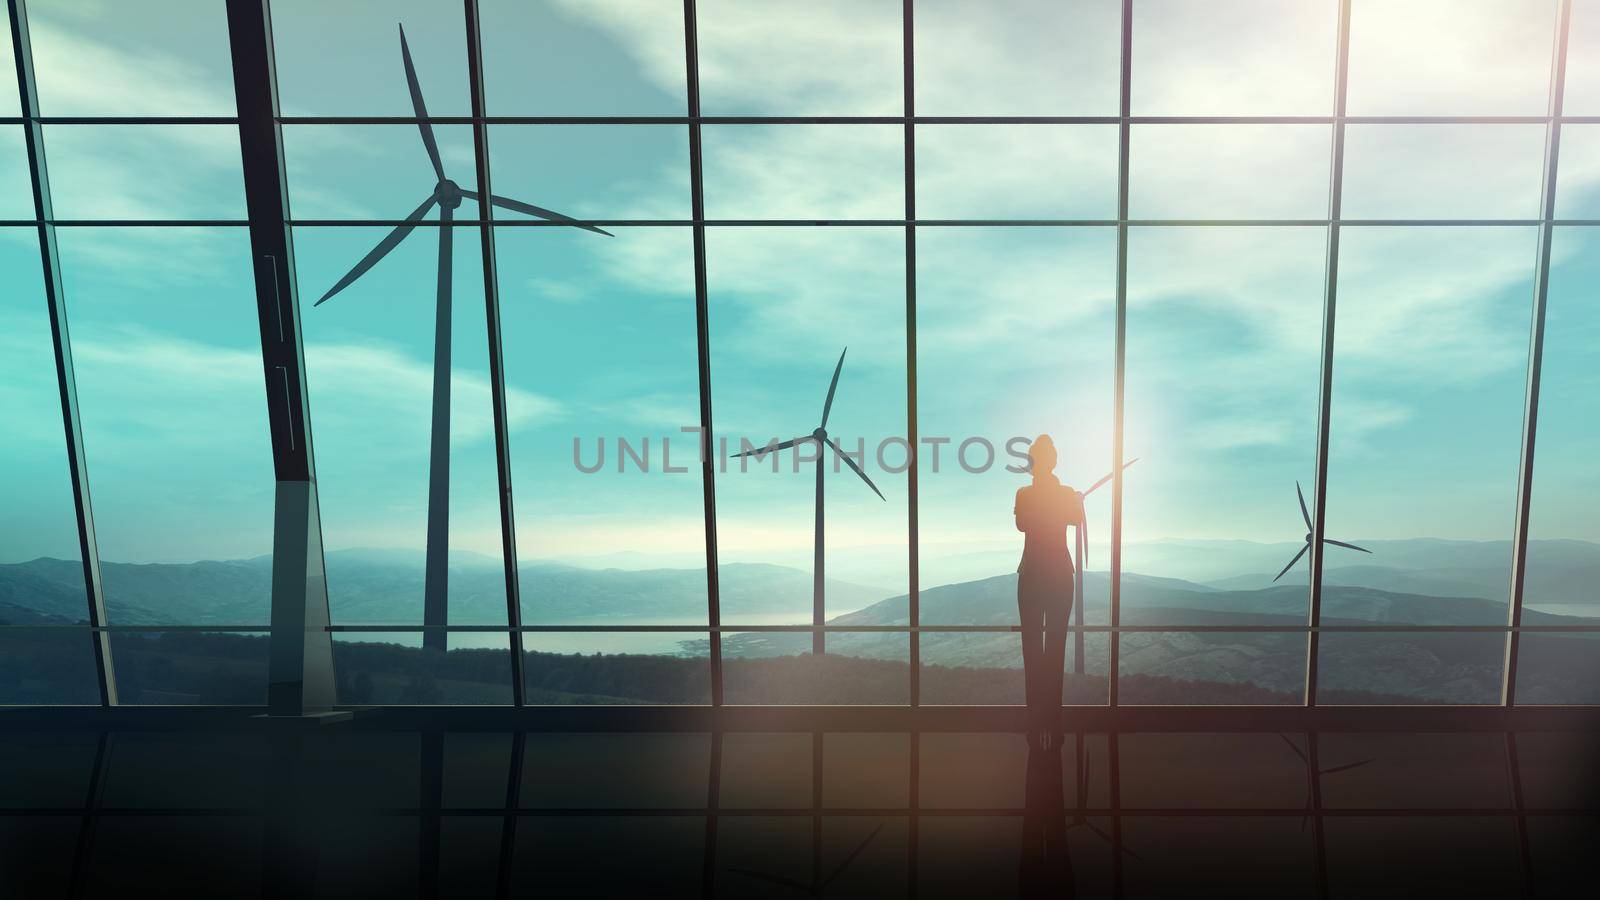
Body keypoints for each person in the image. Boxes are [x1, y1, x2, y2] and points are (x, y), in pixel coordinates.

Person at [1014, 434, 1083, 746]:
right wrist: (1074, 501)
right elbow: (1077, 519)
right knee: (1055, 649)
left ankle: (1034, 722)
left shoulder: (1024, 493)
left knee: (1032, 649)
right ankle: (1053, 723)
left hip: (1031, 575)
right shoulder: (1066, 493)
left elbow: (1023, 525)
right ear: (1053, 461)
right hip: (1059, 575)